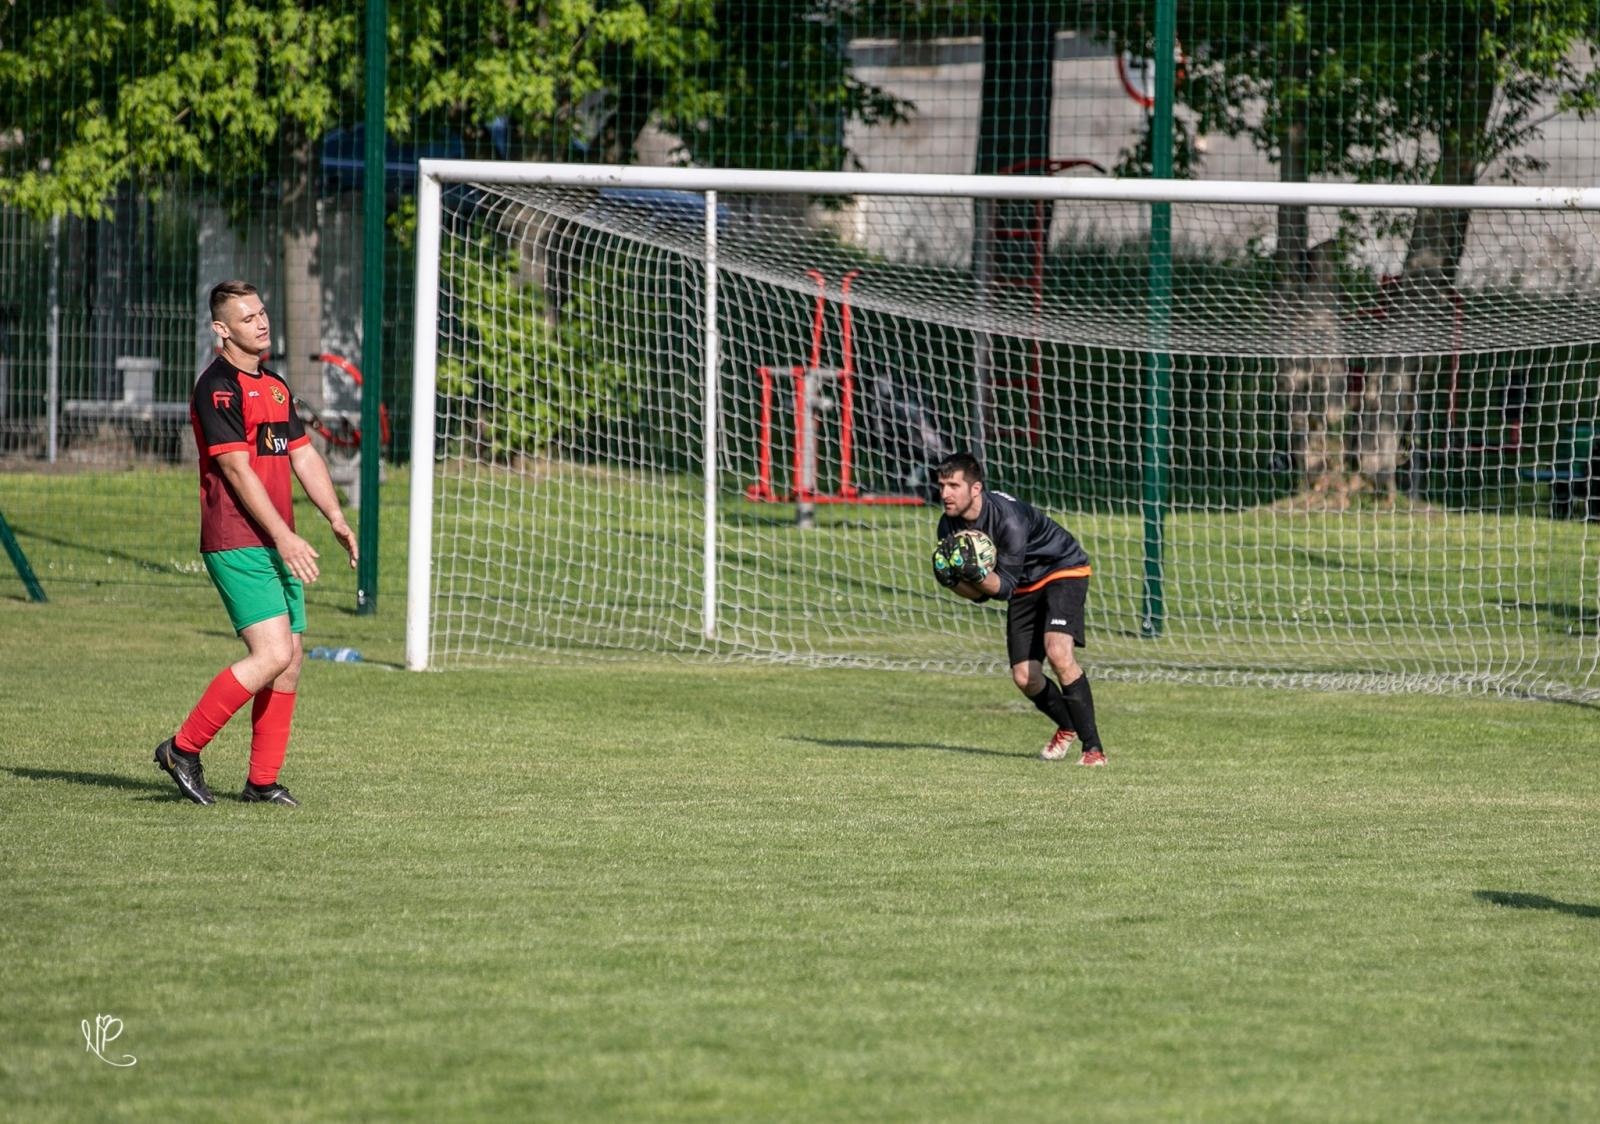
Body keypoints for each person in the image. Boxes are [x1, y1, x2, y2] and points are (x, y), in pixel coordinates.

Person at [152, 280, 358, 806]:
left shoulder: (274, 386)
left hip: (276, 538)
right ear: (221, 329)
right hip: (237, 537)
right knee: (271, 653)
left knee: (290, 659)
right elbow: (236, 471)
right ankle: (182, 749)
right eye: (248, 318)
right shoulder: (217, 387)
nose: (261, 323)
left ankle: (262, 782)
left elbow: (303, 455)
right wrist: (285, 536)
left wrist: (334, 517)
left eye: (262, 312)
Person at [931, 452, 1106, 765]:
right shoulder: (948, 526)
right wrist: (951, 581)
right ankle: (1068, 725)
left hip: (1061, 568)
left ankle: (1093, 750)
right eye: (942, 485)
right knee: (1026, 677)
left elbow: (1003, 589)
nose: (945, 493)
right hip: (1024, 586)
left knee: (1058, 652)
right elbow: (980, 596)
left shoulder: (1008, 519)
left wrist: (976, 573)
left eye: (953, 485)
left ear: (975, 488)